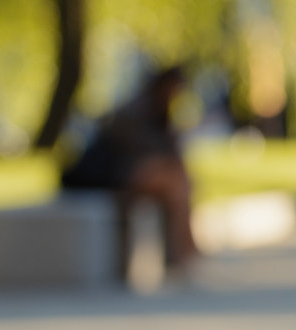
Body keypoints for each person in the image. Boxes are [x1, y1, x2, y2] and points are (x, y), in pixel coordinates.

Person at [61, 65, 198, 270]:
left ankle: (181, 254)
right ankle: (184, 253)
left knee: (180, 183)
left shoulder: (162, 115)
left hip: (135, 175)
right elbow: (134, 154)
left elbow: (171, 154)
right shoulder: (137, 111)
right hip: (115, 175)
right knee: (176, 183)